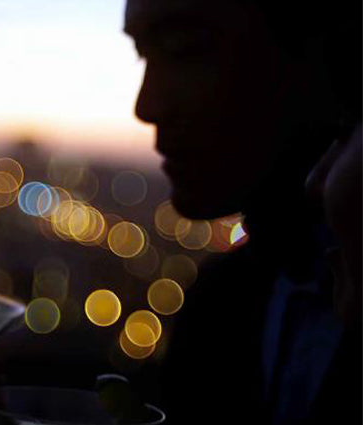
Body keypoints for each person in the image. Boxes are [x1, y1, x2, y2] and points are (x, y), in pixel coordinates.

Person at [124, 0, 360, 423]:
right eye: (144, 55)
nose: (146, 107)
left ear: (330, 51)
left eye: (183, 48)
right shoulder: (216, 310)